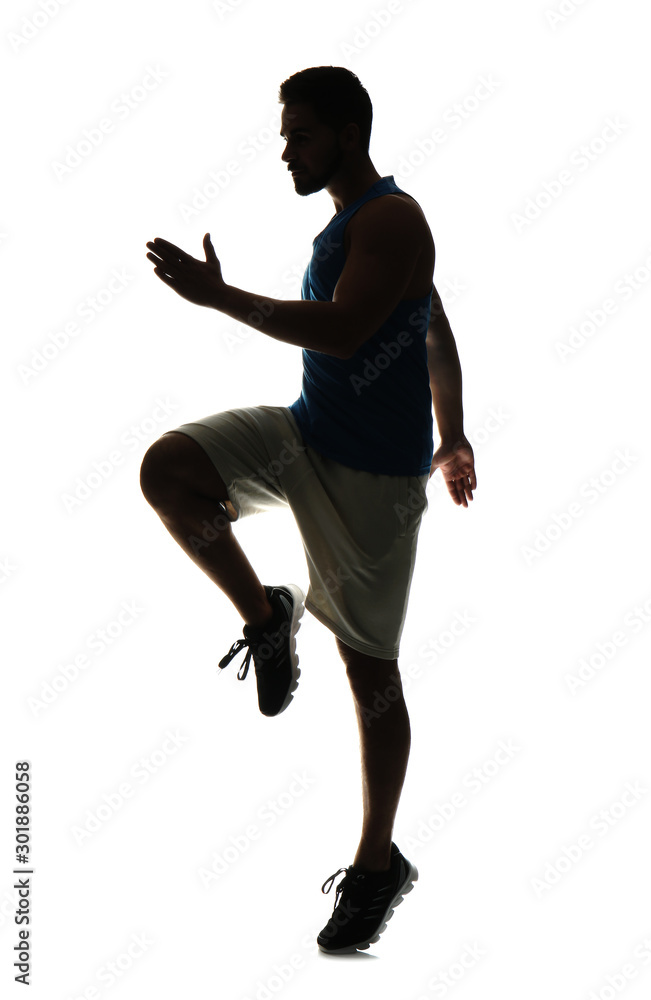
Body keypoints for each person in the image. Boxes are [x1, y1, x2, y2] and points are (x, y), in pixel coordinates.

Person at [140, 66, 476, 955]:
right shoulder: (350, 225)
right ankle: (266, 615)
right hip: (303, 437)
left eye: (298, 133)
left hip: (372, 485)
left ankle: (376, 867)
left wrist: (221, 299)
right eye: (285, 133)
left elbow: (345, 330)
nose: (284, 148)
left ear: (346, 132)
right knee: (169, 472)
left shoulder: (393, 218)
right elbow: (433, 327)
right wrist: (458, 430)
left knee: (371, 684)